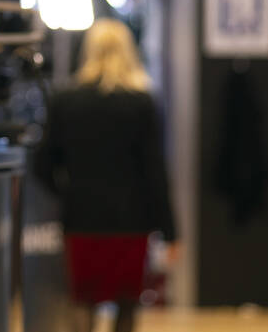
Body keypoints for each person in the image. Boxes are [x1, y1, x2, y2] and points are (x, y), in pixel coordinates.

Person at [32, 18, 179, 332]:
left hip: (81, 218)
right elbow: (155, 171)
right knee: (126, 304)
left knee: (83, 301)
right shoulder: (142, 103)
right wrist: (170, 230)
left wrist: (67, 192)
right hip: (131, 221)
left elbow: (41, 164)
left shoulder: (65, 100)